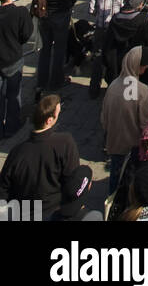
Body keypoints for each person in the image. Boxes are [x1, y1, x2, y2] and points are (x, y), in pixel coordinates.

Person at [0, 93, 91, 221]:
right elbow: (72, 182)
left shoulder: (16, 152)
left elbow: (3, 191)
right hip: (54, 213)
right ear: (49, 120)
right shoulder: (65, 143)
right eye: (58, 113)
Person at [101, 46, 148, 193]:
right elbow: (146, 124)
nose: (146, 67)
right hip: (133, 149)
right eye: (143, 65)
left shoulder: (112, 86)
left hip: (115, 144)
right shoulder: (142, 90)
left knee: (115, 180)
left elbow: (104, 119)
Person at [33, 0, 78, 97]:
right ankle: (56, 81)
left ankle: (41, 82)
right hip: (61, 16)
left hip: (46, 17)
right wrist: (68, 6)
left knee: (45, 50)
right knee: (59, 50)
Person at [88, 0, 132, 95]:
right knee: (120, 56)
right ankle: (118, 90)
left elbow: (91, 9)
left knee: (98, 56)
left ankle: (94, 89)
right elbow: (130, 3)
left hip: (102, 26)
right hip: (120, 26)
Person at [0, 0, 34, 137]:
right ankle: (12, 126)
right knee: (14, 94)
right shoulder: (20, 12)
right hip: (14, 58)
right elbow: (26, 34)